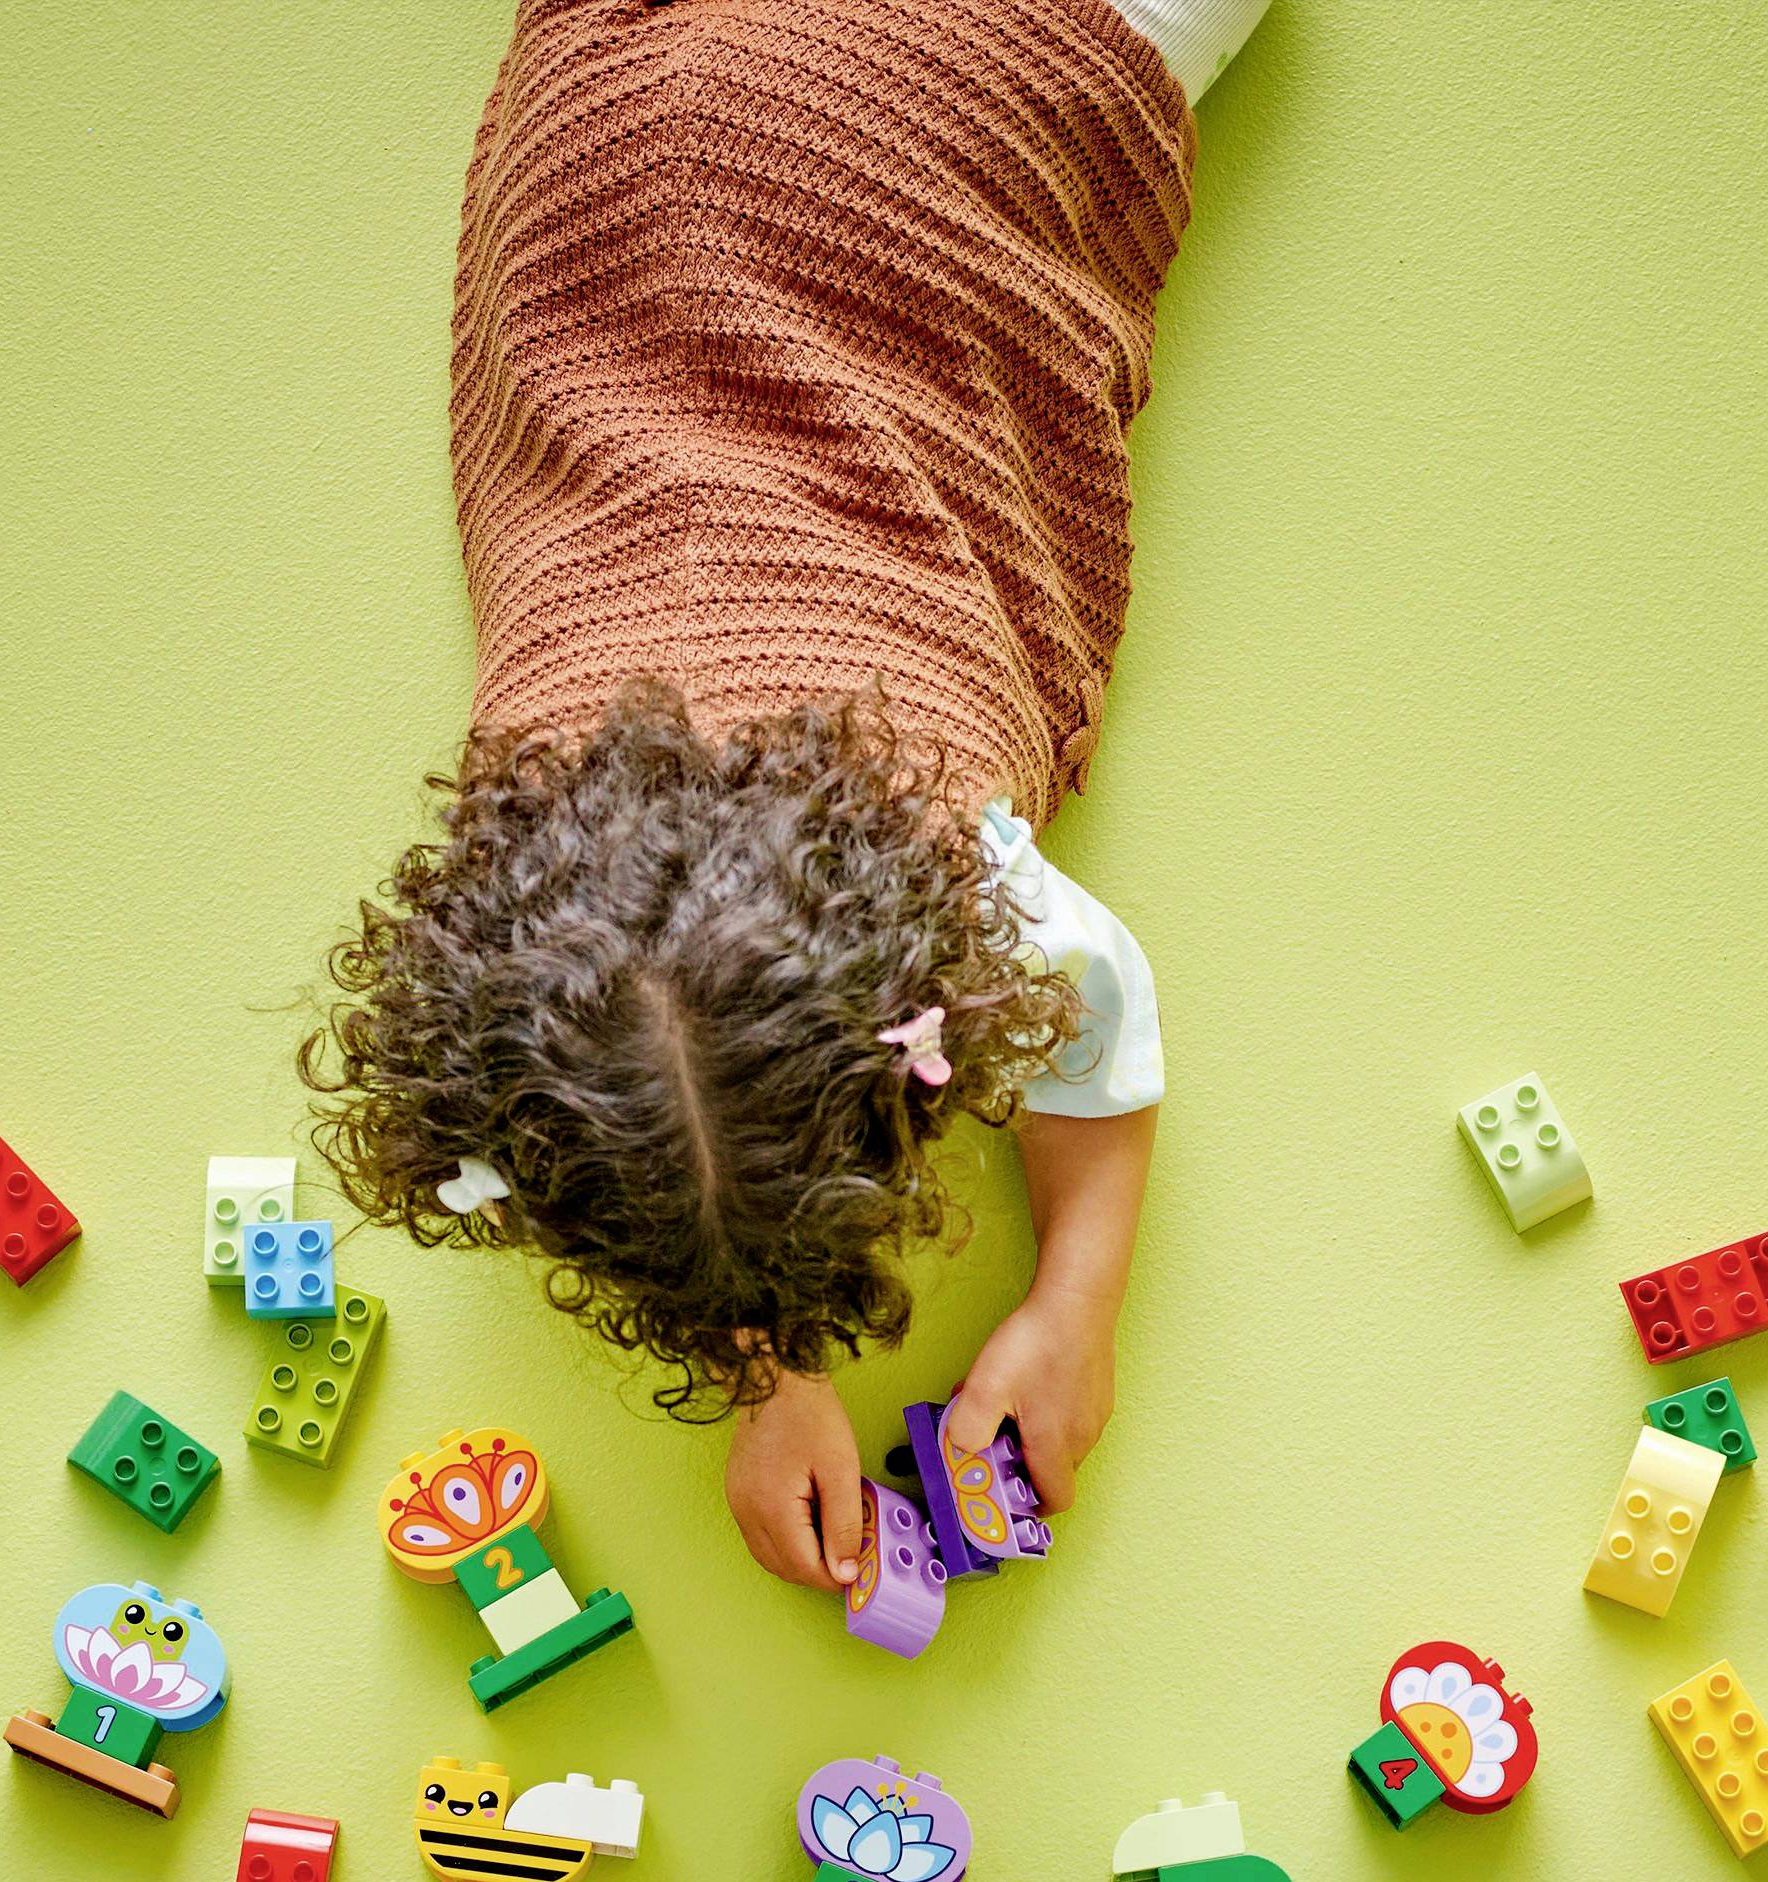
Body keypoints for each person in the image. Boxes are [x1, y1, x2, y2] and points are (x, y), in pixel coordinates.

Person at [305, 0, 1272, 1587]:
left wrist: (1075, 1309)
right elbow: (663, 1103)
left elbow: (1108, 1031)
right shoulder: (522, 873)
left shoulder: (979, 879)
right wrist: (774, 1365)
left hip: (905, 105)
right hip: (626, 114)